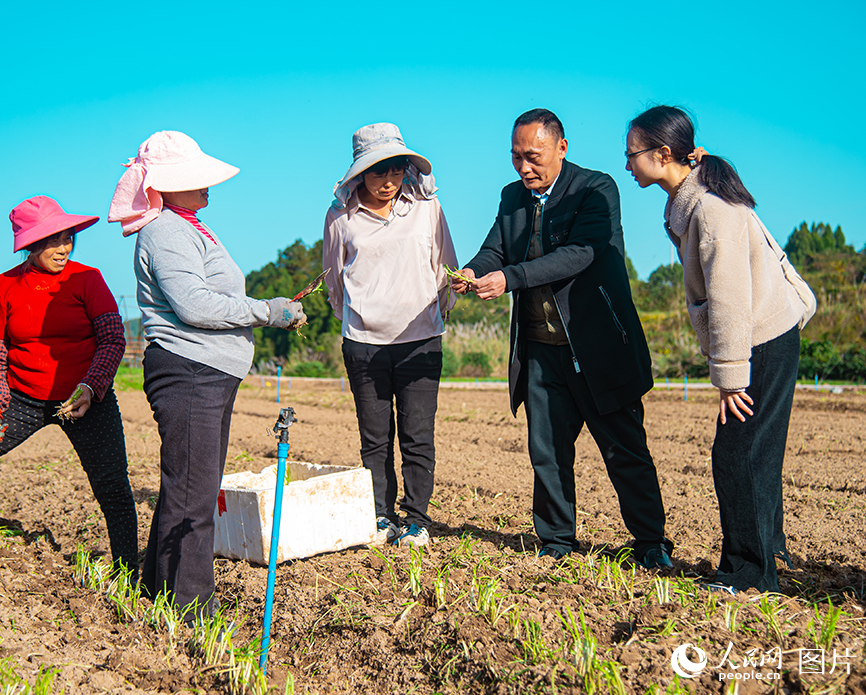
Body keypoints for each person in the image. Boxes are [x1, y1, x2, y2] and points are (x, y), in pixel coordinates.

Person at [451, 108, 673, 568]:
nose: (524, 168)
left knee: (624, 448)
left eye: (532, 157)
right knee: (547, 451)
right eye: (516, 158)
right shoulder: (512, 197)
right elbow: (495, 247)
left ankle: (651, 543)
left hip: (597, 349)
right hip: (540, 351)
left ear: (561, 147)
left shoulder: (596, 189)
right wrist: (475, 270)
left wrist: (509, 279)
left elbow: (578, 255)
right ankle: (556, 542)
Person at [109, 130, 306, 620]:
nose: (206, 186)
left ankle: (156, 586)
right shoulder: (167, 231)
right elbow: (194, 305)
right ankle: (191, 607)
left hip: (205, 370)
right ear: (163, 185)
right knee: (194, 494)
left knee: (188, 484)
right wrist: (267, 311)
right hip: (190, 368)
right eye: (192, 178)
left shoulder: (186, 226)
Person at [625, 105, 813, 593]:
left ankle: (749, 575)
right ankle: (770, 550)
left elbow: (730, 297)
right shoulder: (694, 202)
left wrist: (731, 377)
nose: (626, 164)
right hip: (770, 335)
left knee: (738, 455)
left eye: (632, 154)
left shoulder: (709, 209)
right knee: (757, 452)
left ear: (663, 154)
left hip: (761, 339)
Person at [0, 196, 138, 574]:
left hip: (84, 399)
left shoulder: (87, 279)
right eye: (52, 240)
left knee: (112, 486)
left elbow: (112, 339)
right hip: (23, 399)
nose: (64, 248)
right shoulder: (3, 288)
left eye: (68, 238)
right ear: (30, 244)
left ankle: (128, 571)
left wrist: (91, 387)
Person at [323, 123, 457, 549]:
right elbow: (333, 280)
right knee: (374, 436)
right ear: (360, 174)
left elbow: (445, 268)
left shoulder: (427, 208)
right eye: (379, 173)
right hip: (363, 345)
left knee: (417, 434)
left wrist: (437, 309)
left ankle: (417, 519)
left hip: (420, 339)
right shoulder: (340, 217)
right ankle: (381, 515)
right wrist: (359, 318)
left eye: (397, 171)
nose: (389, 182)